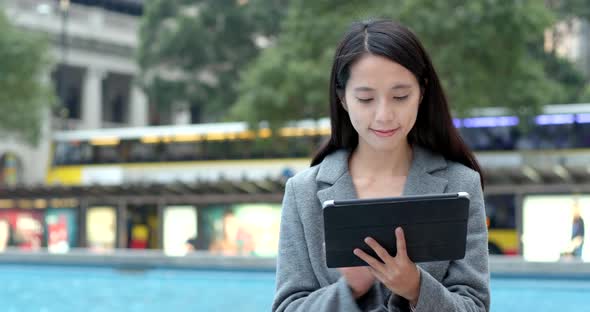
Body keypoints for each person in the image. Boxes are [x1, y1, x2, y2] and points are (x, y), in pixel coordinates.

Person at [272, 20, 490, 312]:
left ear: (422, 93)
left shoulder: (462, 183)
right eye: (365, 98)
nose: (384, 115)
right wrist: (349, 289)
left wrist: (415, 287)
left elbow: (474, 306)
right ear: (343, 98)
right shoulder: (303, 191)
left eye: (400, 96)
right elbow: (287, 307)